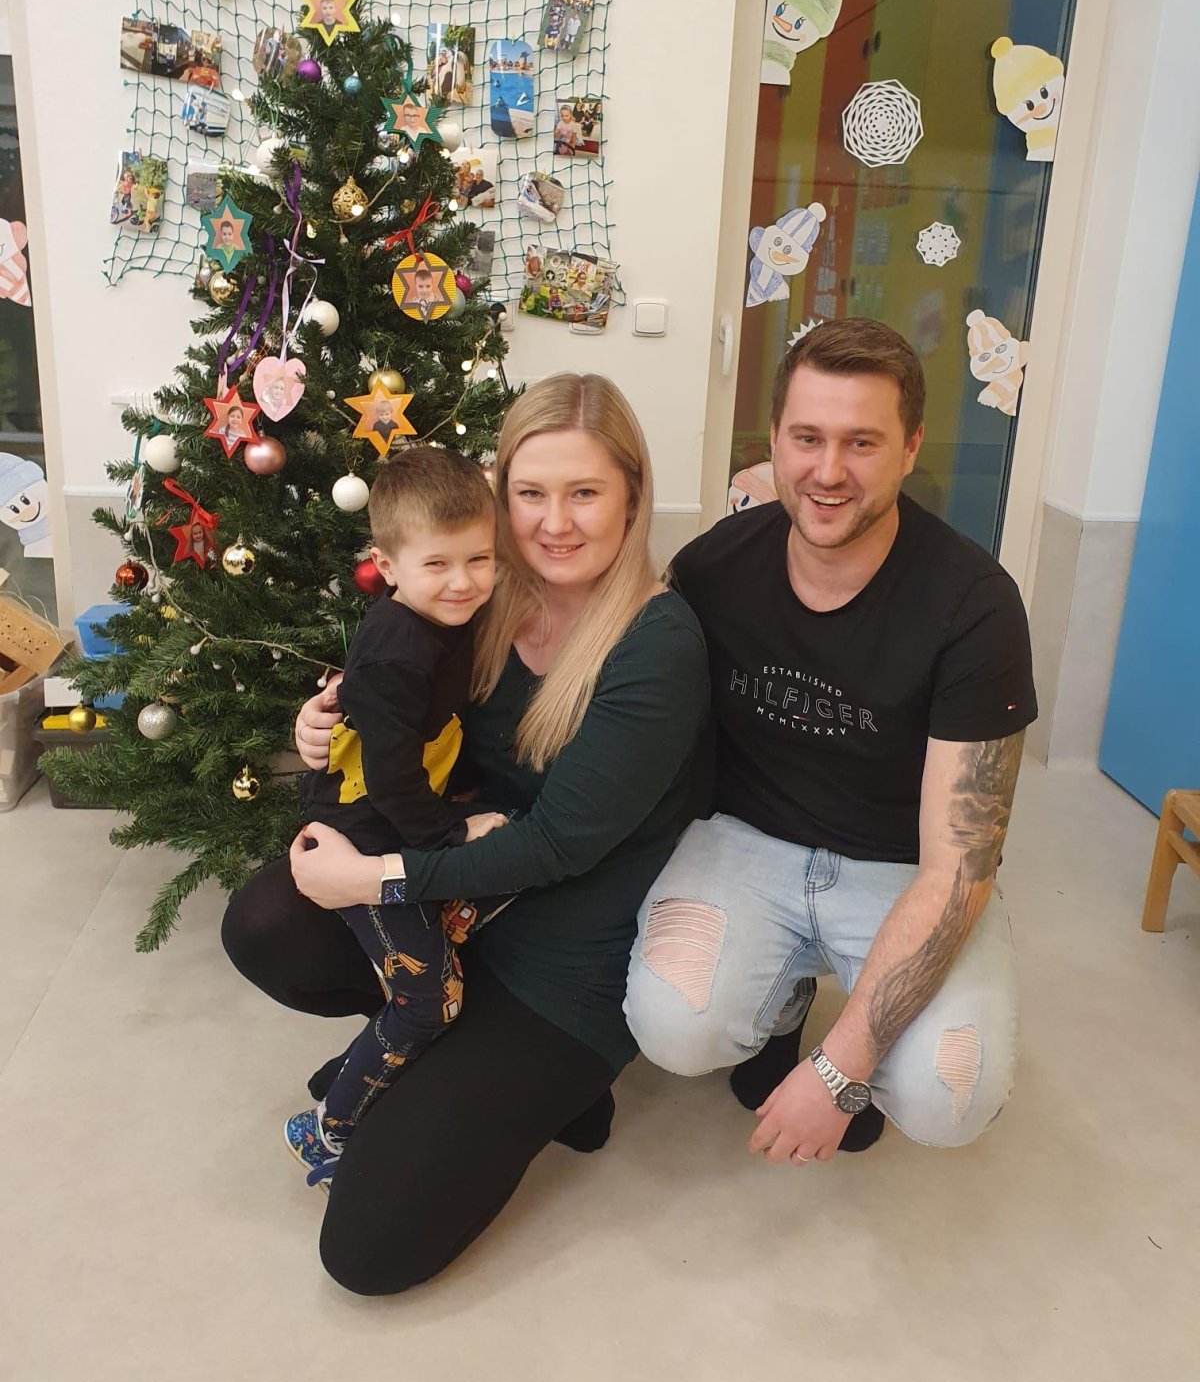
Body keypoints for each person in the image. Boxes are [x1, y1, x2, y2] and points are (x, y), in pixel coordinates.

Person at [221, 373, 710, 1293]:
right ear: (498, 496)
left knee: (366, 1252)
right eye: (530, 493)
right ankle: (446, 1051)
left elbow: (556, 846)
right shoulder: (476, 596)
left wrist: (377, 878)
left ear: (632, 497)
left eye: (584, 492)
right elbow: (394, 691)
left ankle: (550, 1085)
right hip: (466, 910)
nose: (555, 523)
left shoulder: (657, 645)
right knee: (266, 924)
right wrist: (325, 718)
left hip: (563, 966)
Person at [624, 319, 1037, 1165]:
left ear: (910, 447)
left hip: (904, 870)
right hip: (747, 842)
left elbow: (959, 869)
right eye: (807, 438)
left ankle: (863, 1042)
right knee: (673, 1029)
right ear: (774, 439)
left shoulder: (976, 608)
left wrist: (843, 1070)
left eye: (862, 442)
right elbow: (623, 690)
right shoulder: (713, 568)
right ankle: (782, 1006)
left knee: (948, 1097)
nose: (828, 471)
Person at [284, 448, 508, 1187]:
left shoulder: (448, 617)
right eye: (437, 564)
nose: (463, 581)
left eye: (479, 559)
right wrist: (448, 841)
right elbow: (390, 778)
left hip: (405, 814)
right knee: (427, 1004)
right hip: (365, 836)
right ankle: (329, 1129)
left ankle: (356, 1075)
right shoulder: (397, 650)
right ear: (386, 565)